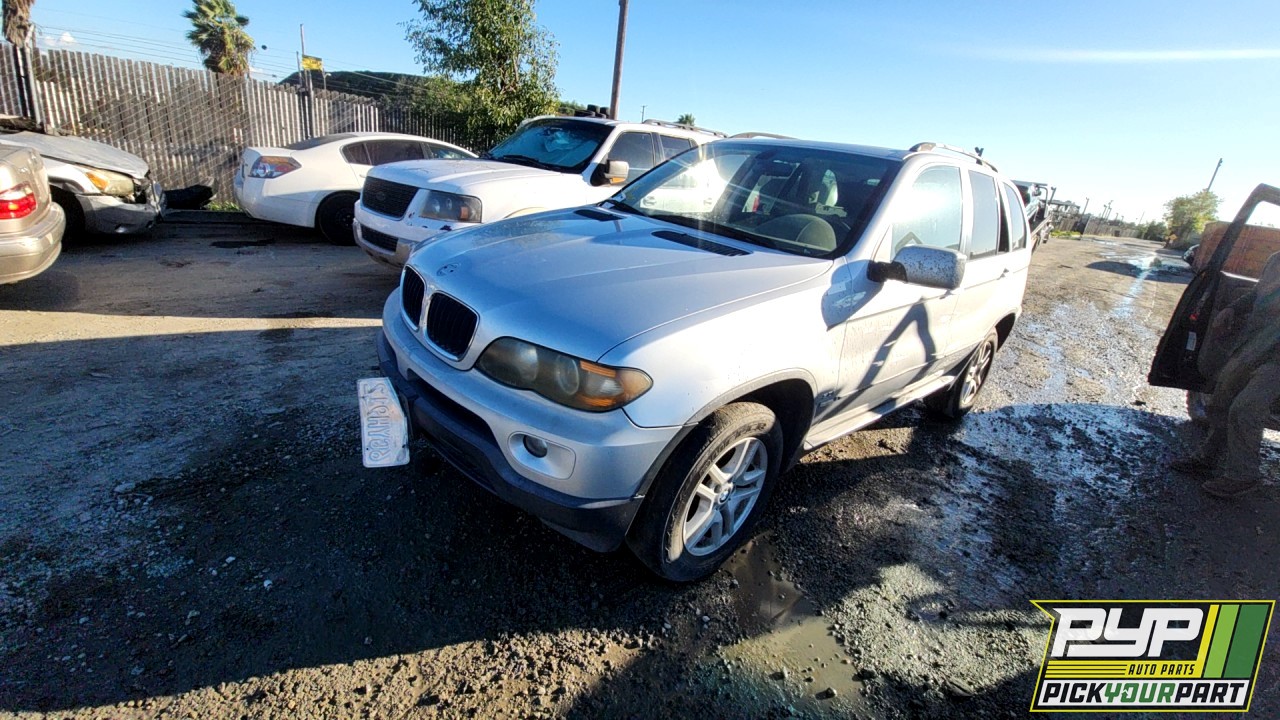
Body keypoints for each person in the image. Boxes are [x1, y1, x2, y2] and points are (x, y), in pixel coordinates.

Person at [1172, 251, 1280, 497]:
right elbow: (1260, 294)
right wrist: (1231, 308)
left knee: (1246, 408)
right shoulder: (1275, 259)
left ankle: (1242, 476)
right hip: (1251, 346)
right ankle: (1206, 459)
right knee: (1220, 402)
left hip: (1276, 360)